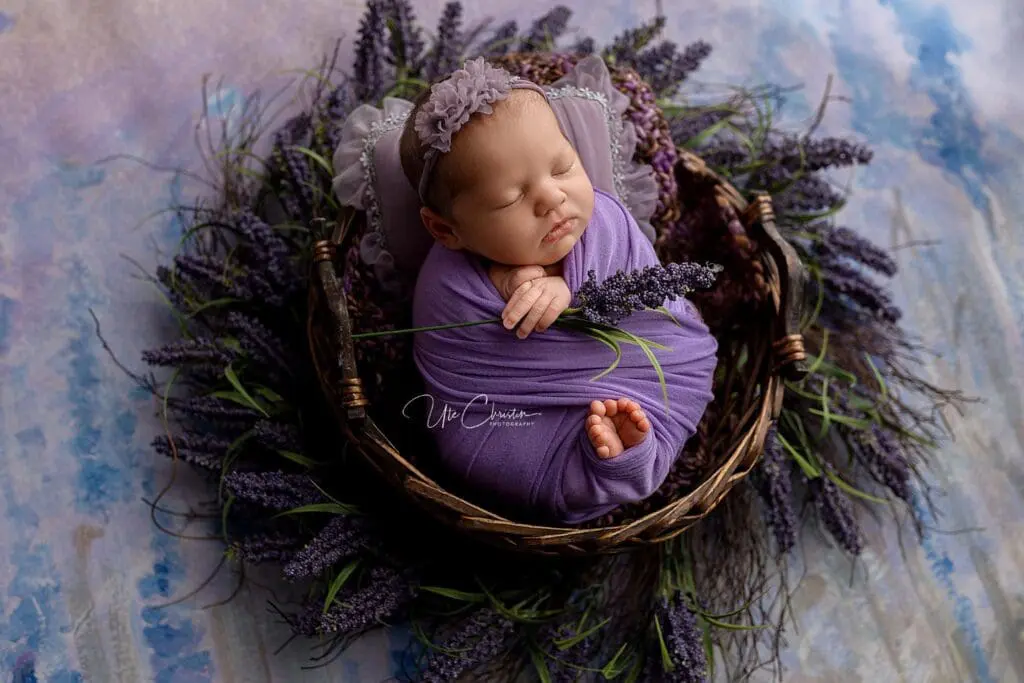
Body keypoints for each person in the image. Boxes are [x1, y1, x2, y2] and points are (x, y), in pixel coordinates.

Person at [401, 58, 718, 524]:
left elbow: (648, 303)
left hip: (650, 377)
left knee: (680, 369)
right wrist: (506, 286)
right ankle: (616, 461)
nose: (551, 198)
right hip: (514, 416)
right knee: (496, 451)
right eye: (511, 198)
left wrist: (572, 292)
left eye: (562, 166)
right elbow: (455, 356)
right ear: (446, 229)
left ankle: (630, 455)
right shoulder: (446, 284)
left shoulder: (606, 223)